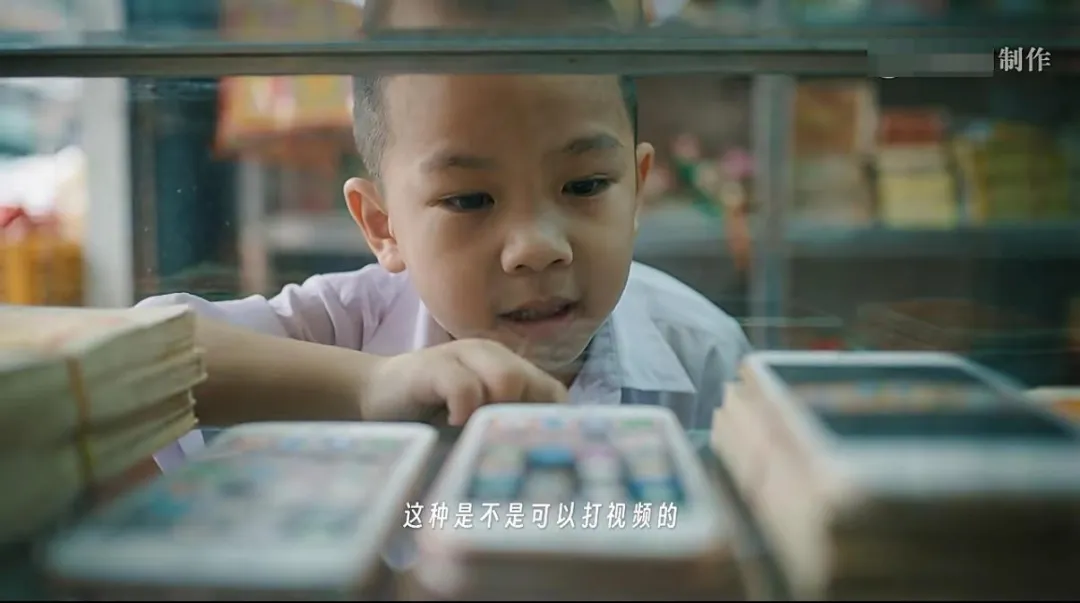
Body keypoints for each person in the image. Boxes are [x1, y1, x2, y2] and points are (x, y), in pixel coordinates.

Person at [139, 0, 751, 468]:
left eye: (585, 185)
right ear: (382, 225)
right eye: (469, 200)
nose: (537, 247)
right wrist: (368, 386)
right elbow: (129, 356)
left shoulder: (702, 356)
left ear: (637, 189)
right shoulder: (344, 329)